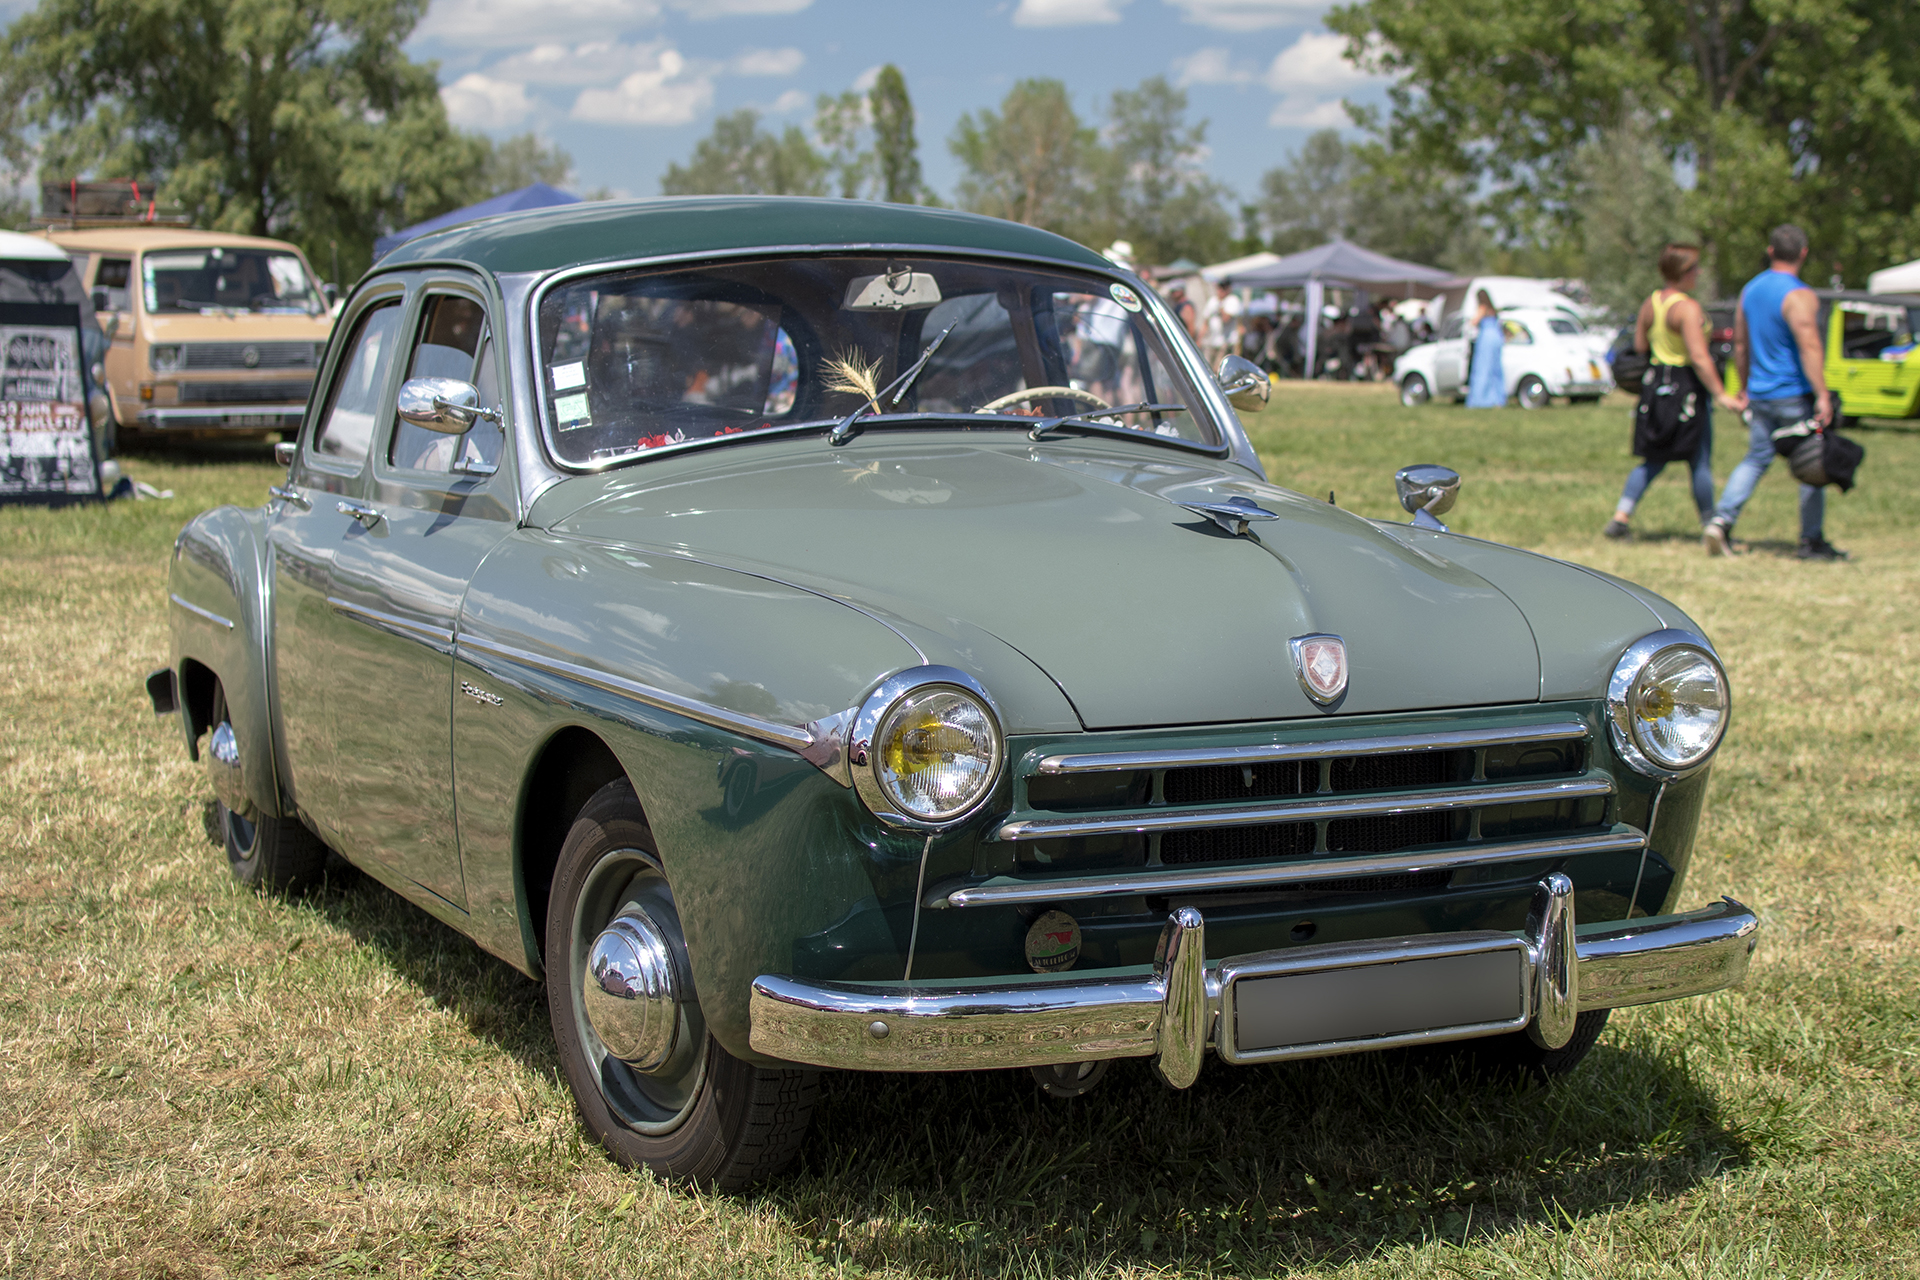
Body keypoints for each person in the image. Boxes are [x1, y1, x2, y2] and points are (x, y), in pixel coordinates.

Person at [1704, 224, 1847, 560]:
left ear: (1770, 251)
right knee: (1811, 465)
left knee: (1756, 459)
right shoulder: (1799, 296)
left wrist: (1743, 388)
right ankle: (1811, 540)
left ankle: (1721, 521)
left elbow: (1740, 344)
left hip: (1761, 394)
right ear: (1803, 253)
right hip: (1793, 395)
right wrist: (1822, 394)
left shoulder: (1750, 291)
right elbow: (1809, 344)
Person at [1603, 244, 1745, 540]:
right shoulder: (1687, 308)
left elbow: (1641, 348)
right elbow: (1699, 356)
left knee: (1653, 458)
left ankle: (1620, 517)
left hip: (1655, 387)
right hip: (1687, 388)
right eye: (1695, 268)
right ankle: (1711, 525)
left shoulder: (1651, 303)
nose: (1699, 273)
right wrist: (1721, 394)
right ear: (1683, 272)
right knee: (1699, 459)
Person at [1464, 289, 1506, 407]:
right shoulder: (1493, 309)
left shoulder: (1483, 307)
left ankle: (1481, 399)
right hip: (1496, 336)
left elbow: (1474, 322)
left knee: (1483, 368)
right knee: (1495, 369)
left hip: (1486, 338)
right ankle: (1497, 398)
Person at [1200, 280, 1243, 369]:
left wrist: (1221, 305)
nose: (1220, 291)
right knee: (1207, 367)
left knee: (1219, 368)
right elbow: (1205, 322)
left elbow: (1226, 319)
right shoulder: (1212, 301)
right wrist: (1199, 340)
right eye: (1219, 288)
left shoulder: (1232, 300)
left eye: (1223, 289)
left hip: (1226, 342)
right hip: (1211, 341)